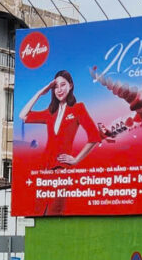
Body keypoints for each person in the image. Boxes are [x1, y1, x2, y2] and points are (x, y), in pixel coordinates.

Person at [18, 69, 103, 215]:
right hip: (44, 168)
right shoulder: (50, 113)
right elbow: (23, 115)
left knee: (54, 212)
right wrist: (40, 92)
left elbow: (94, 137)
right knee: (39, 212)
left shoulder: (78, 108)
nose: (59, 90)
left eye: (63, 85)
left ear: (70, 85)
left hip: (61, 169)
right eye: (55, 87)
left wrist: (76, 159)